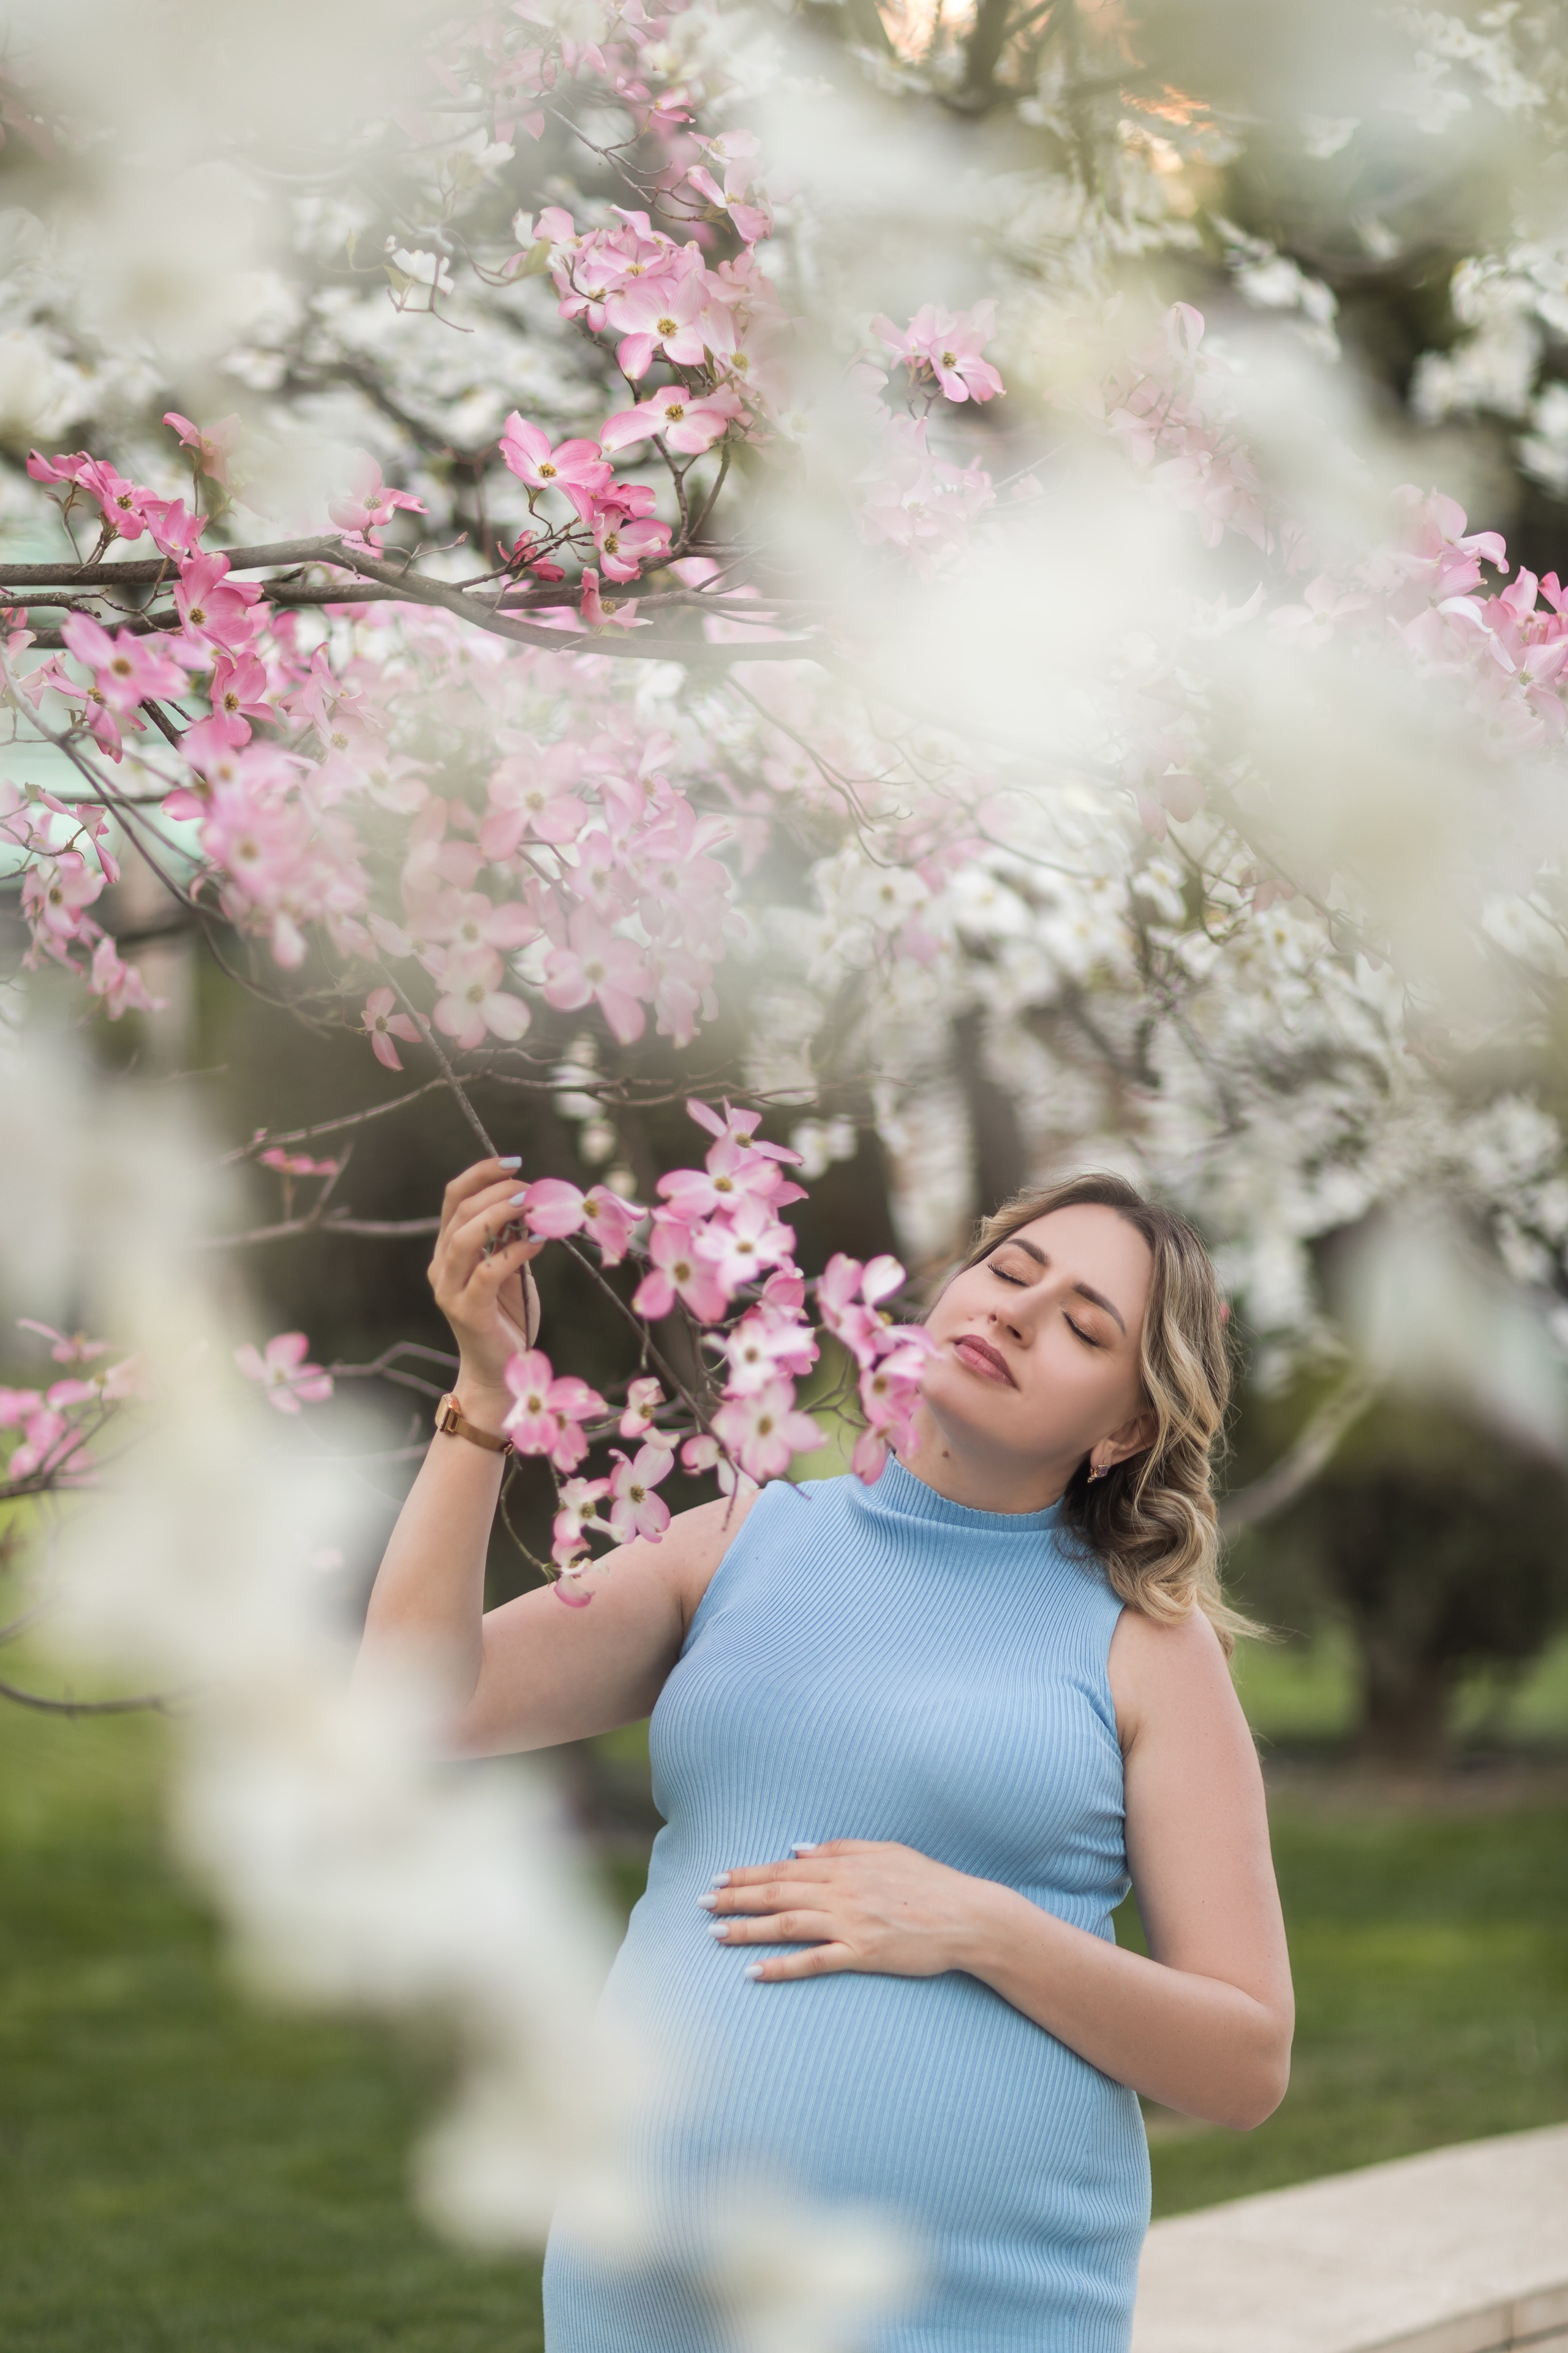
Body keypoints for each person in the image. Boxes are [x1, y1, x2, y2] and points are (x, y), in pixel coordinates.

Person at [359, 1157, 1294, 2352]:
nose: (1018, 1312)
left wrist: (980, 1926)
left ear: (1125, 1428)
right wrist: (489, 1390)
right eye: (1009, 1272)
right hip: (643, 2288)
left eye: (1082, 1324)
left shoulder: (1144, 1645)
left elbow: (1244, 2062)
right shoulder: (734, 1540)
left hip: (969, 2310)